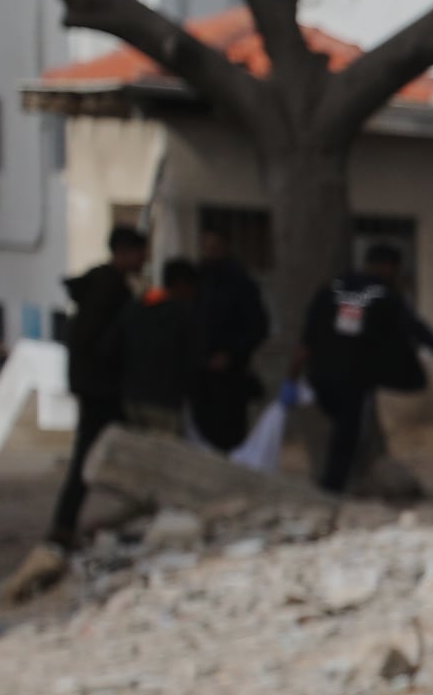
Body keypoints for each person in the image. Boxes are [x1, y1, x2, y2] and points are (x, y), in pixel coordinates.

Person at [302, 240, 433, 494]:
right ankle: (333, 485)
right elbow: (414, 328)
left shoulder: (334, 287)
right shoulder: (385, 295)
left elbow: (308, 334)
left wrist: (296, 373)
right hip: (354, 375)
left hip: (322, 371)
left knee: (341, 427)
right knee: (347, 430)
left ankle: (336, 480)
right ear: (388, 267)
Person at [48, 225, 149, 548]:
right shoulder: (108, 290)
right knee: (91, 455)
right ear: (124, 252)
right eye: (139, 252)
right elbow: (103, 342)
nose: (144, 259)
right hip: (101, 387)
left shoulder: (103, 286)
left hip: (95, 384)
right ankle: (65, 525)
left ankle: (68, 524)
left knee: (94, 453)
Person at [188, 228, 273, 452]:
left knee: (228, 437)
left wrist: (231, 353)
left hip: (230, 376)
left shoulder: (239, 282)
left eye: (215, 247)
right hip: (200, 373)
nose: (210, 252)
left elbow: (257, 327)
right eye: (206, 246)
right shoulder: (196, 279)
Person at [119, 259, 204, 445]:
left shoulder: (136, 308)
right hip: (165, 402)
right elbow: (192, 360)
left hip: (132, 399)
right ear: (182, 285)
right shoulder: (182, 314)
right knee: (163, 459)